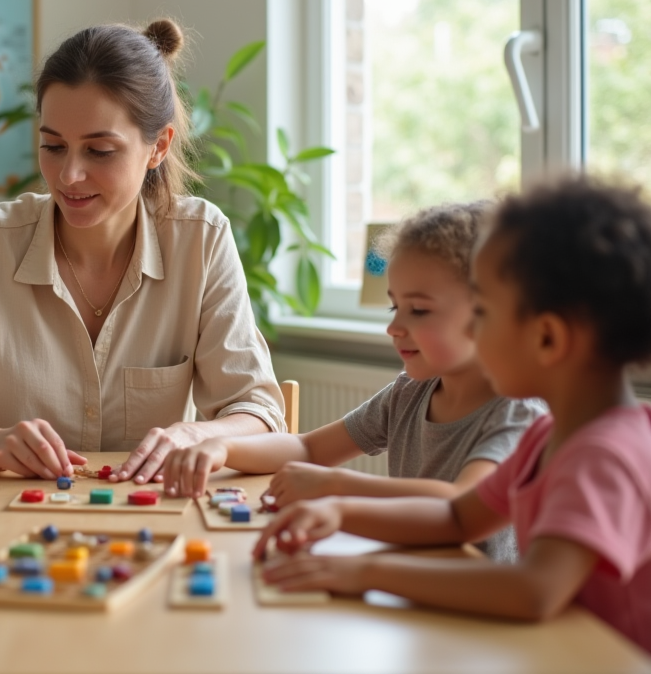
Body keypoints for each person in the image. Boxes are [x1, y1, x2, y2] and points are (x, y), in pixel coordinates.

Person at [0, 19, 286, 485]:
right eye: (53, 146)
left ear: (158, 147)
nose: (68, 175)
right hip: (10, 523)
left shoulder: (201, 239)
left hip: (154, 523)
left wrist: (195, 435)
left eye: (99, 150)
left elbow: (260, 412)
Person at [254, 178, 651, 654]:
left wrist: (367, 571)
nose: (471, 331)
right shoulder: (552, 433)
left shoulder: (604, 454)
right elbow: (457, 517)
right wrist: (338, 512)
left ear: (547, 338)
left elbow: (534, 591)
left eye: (481, 313)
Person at [163, 202, 544, 559]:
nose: (394, 327)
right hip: (413, 584)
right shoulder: (409, 392)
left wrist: (336, 486)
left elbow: (461, 501)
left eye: (420, 310)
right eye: (396, 306)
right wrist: (222, 448)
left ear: (493, 312)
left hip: (481, 611)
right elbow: (308, 448)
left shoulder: (518, 413)